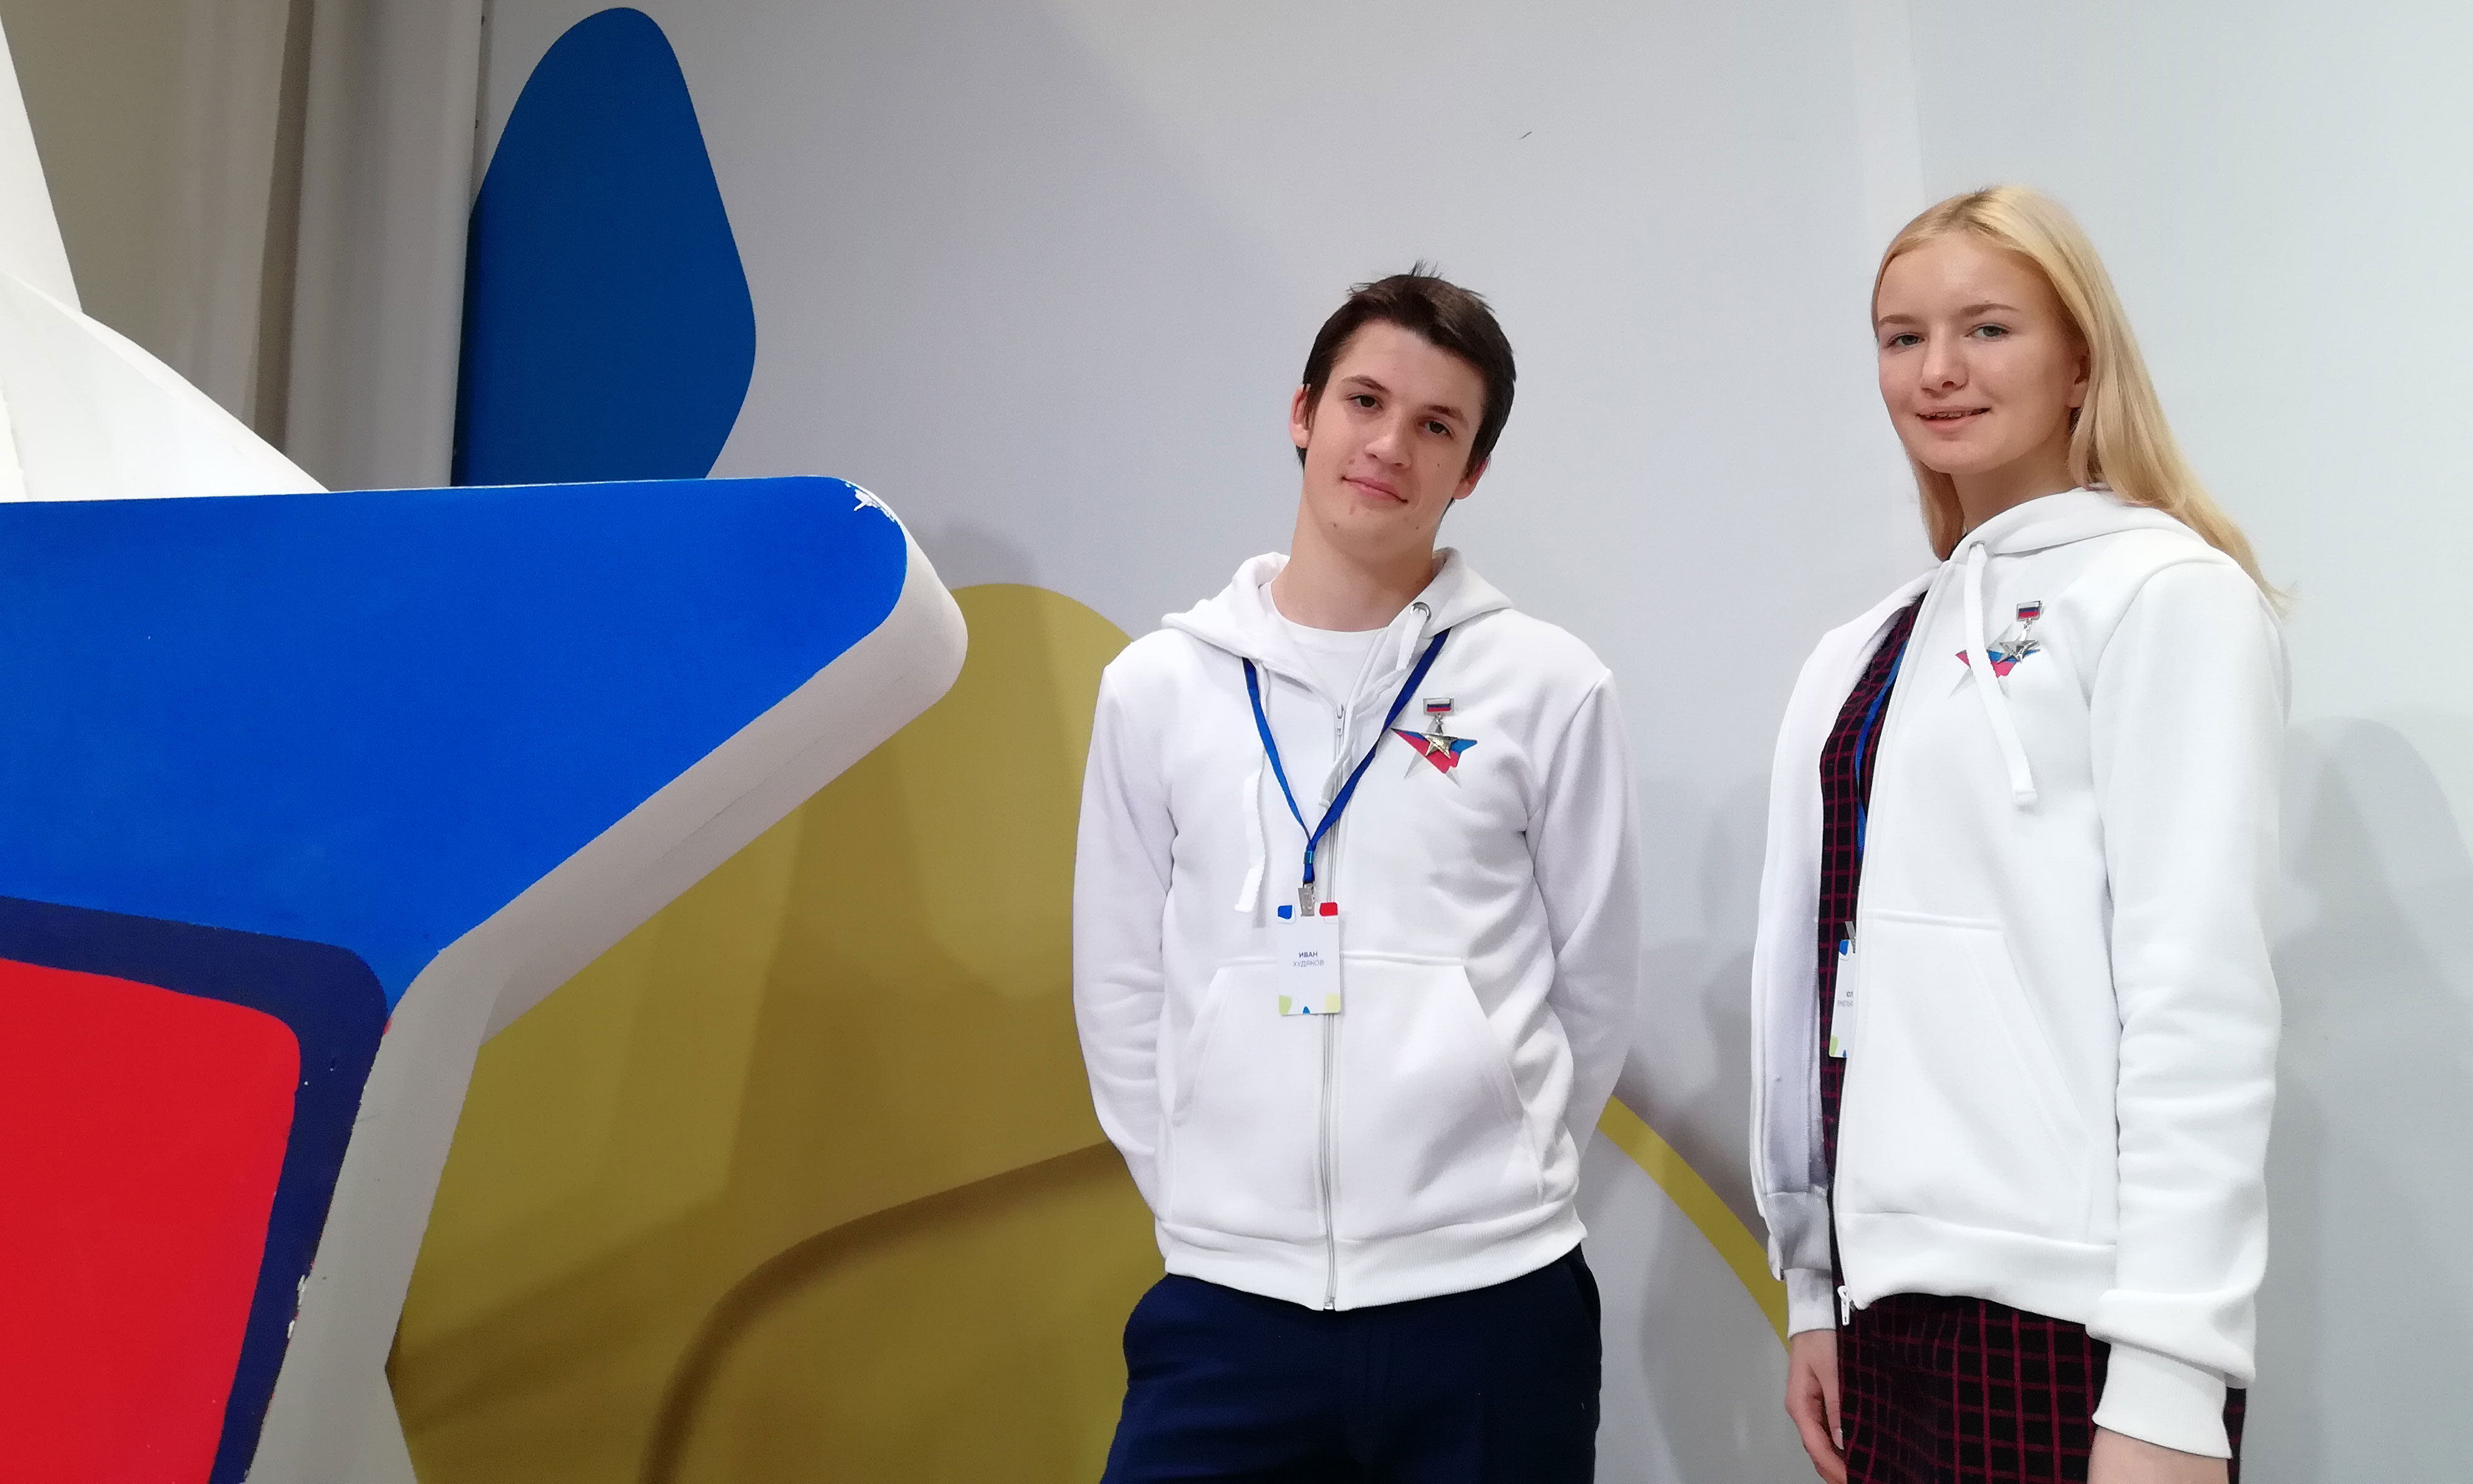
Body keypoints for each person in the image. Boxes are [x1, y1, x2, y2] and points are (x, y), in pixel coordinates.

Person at [1074, 267, 1643, 1482]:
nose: (1389, 446)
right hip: (1227, 1306)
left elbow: (1593, 981)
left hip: (1490, 1302)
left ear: (1470, 470)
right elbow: (1117, 981)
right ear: (1304, 412)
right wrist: (1205, 1201)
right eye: (1365, 402)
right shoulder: (1158, 688)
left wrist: (1496, 1178)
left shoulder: (1547, 686)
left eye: (1436, 426)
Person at [1751, 187, 2284, 1484]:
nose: (1936, 370)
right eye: (1902, 337)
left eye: (1986, 328)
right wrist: (1814, 1284)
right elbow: (1809, 979)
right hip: (1885, 1309)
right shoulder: (1864, 647)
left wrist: (2173, 1372)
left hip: (2076, 1323)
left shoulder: (2166, 593)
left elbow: (2199, 998)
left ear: (2079, 363)